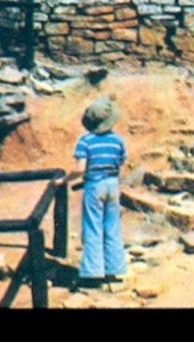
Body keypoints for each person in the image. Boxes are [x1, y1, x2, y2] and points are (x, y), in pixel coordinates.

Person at [73, 96, 127, 288]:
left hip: (94, 186)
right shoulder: (117, 140)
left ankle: (92, 273)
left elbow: (80, 169)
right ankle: (114, 269)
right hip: (113, 185)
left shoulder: (85, 141)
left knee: (93, 227)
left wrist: (63, 180)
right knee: (112, 227)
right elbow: (121, 160)